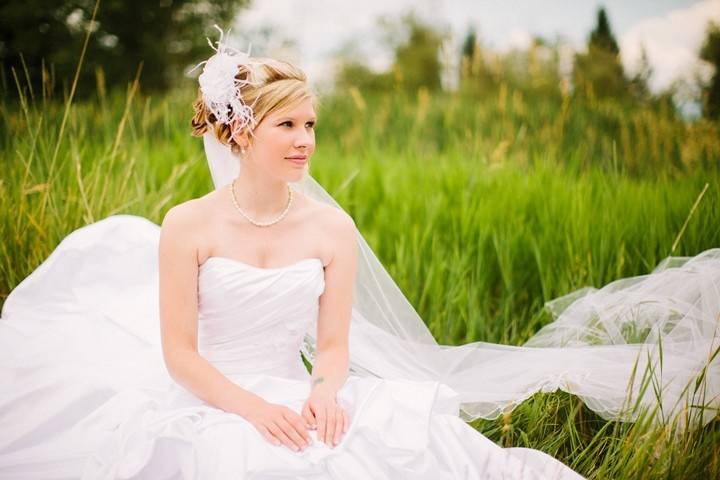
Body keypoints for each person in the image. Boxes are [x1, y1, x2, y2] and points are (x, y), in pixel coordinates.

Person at [0, 27, 718, 479]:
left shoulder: (327, 230)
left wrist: (323, 391)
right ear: (241, 131)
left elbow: (334, 343)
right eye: (288, 124)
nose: (307, 139)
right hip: (218, 398)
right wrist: (253, 409)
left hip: (298, 392)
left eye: (312, 123)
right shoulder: (186, 225)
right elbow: (181, 356)